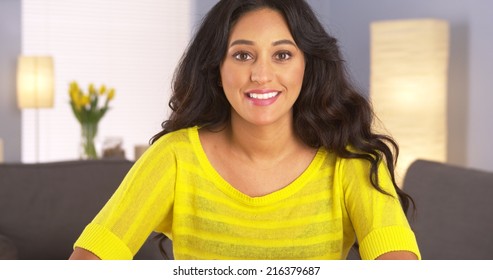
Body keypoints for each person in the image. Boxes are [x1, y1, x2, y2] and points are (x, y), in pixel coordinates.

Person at [69, 0, 420, 260]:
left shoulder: (352, 162)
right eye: (242, 56)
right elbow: (91, 259)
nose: (261, 75)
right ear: (216, 68)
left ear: (307, 66)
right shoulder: (174, 157)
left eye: (282, 55)